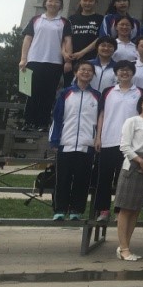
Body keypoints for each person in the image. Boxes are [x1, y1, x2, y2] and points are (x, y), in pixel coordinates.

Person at [48, 61, 100, 220]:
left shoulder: (97, 96)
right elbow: (57, 117)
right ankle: (59, 210)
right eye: (82, 69)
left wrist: (97, 139)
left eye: (89, 70)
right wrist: (55, 140)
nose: (86, 72)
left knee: (82, 179)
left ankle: (76, 210)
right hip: (66, 142)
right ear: (76, 73)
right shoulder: (65, 93)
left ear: (93, 75)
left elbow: (100, 120)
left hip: (87, 144)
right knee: (62, 178)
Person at [93, 60, 142, 221]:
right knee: (104, 178)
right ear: (116, 73)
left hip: (130, 144)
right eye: (121, 70)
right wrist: (98, 137)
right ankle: (103, 210)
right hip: (108, 140)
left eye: (128, 70)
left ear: (133, 72)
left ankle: (120, 211)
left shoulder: (140, 92)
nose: (124, 73)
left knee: (125, 179)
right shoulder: (108, 92)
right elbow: (101, 114)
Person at [115, 92, 143, 261]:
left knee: (135, 209)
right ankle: (124, 248)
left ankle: (125, 246)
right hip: (133, 166)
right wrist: (140, 161)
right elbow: (125, 146)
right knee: (125, 208)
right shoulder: (132, 121)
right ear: (141, 103)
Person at [20, 0, 73, 130]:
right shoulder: (36, 19)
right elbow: (27, 39)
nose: (53, 4)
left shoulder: (64, 22)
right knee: (30, 92)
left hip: (54, 62)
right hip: (34, 60)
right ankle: (28, 122)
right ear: (45, 3)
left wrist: (68, 60)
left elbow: (68, 41)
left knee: (48, 93)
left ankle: (43, 123)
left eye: (56, 2)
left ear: (60, 5)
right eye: (50, 1)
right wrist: (23, 58)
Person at [65, 0, 103, 86]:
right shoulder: (72, 19)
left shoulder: (101, 19)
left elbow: (100, 38)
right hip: (73, 60)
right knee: (70, 88)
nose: (87, 3)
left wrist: (82, 52)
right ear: (80, 1)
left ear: (96, 2)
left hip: (91, 60)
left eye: (91, 1)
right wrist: (67, 57)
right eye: (85, 0)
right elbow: (66, 39)